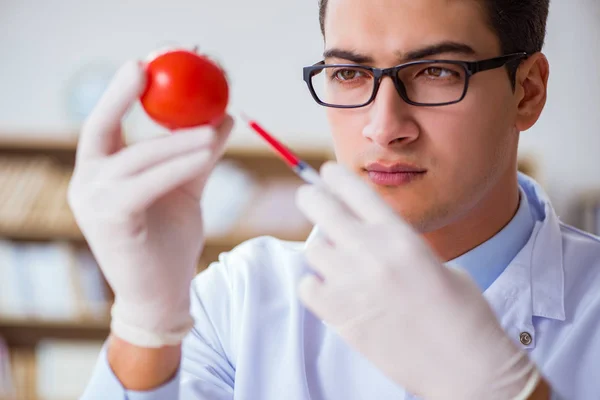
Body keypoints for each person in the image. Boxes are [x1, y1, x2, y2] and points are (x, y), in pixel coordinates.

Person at [74, 0, 600, 398]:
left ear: (526, 91)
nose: (383, 128)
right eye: (350, 73)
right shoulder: (236, 303)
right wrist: (146, 328)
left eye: (438, 71)